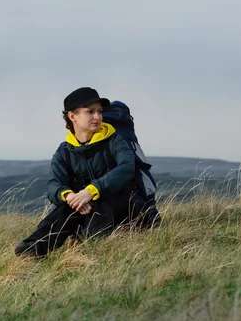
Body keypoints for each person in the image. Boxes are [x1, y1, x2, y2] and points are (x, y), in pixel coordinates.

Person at [15, 87, 148, 258]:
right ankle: (33, 249)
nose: (98, 117)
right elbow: (54, 184)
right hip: (86, 211)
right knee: (66, 206)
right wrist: (70, 196)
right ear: (72, 116)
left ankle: (88, 251)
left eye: (99, 111)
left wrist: (91, 191)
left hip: (128, 210)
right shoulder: (65, 150)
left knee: (102, 199)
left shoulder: (115, 140)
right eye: (90, 112)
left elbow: (126, 169)